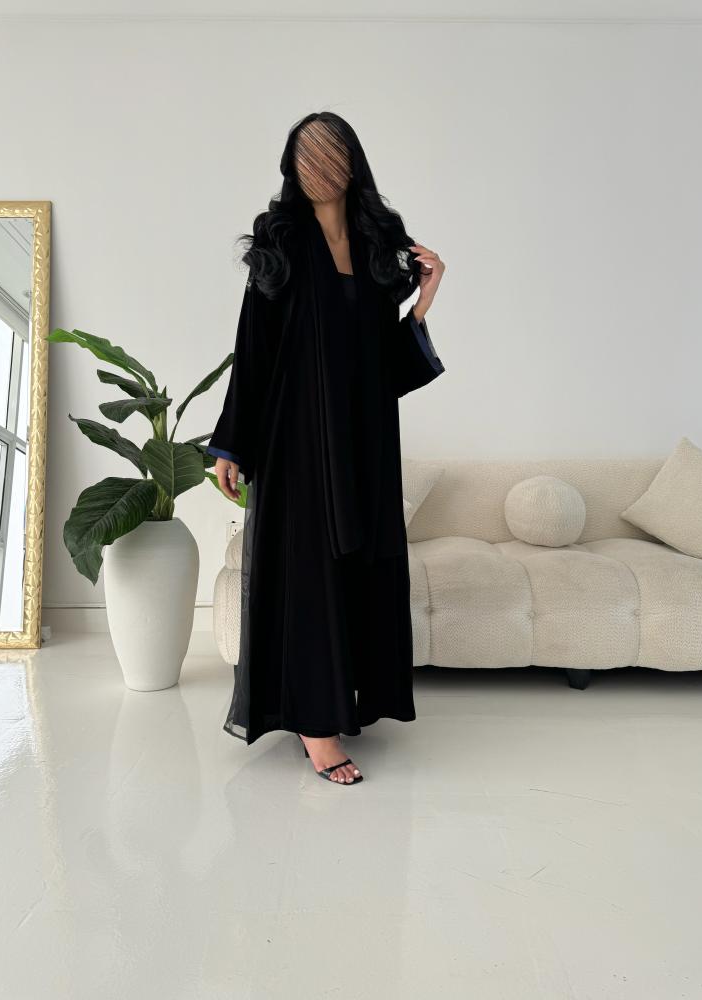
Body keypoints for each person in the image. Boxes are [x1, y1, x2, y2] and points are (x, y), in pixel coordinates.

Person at [206, 111, 446, 785]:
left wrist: (423, 301)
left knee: (360, 566)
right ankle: (316, 726)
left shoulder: (376, 245)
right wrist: (231, 445)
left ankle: (342, 700)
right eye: (305, 156)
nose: (317, 167)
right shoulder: (280, 242)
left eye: (329, 153)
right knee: (308, 571)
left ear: (350, 161)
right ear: (291, 166)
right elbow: (253, 348)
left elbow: (381, 364)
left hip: (365, 434)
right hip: (295, 435)